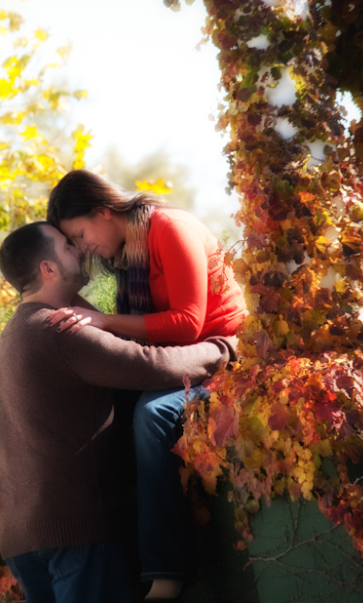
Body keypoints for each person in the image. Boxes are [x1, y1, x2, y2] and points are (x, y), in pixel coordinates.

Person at [0, 222, 238, 603]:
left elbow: (112, 341)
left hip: (22, 537)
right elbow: (150, 364)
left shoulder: (13, 334)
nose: (79, 250)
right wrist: (224, 348)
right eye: (67, 246)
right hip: (76, 533)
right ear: (48, 268)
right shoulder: (59, 330)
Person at [46, 169, 248, 601]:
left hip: (221, 355)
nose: (83, 247)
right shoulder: (129, 254)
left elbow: (188, 322)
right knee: (101, 414)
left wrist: (104, 321)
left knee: (153, 414)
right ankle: (114, 564)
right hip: (177, 362)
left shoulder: (169, 228)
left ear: (103, 211)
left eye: (80, 235)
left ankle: (166, 576)